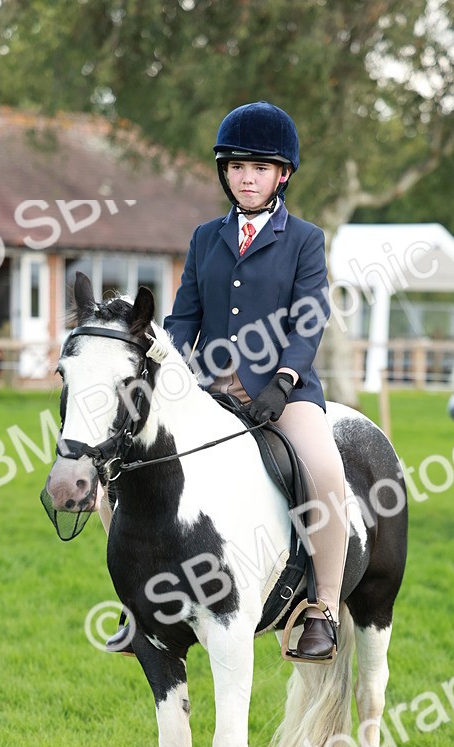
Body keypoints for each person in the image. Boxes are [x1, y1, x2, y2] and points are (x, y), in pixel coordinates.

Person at [163, 101, 347, 660]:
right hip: (210, 392)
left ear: (282, 175)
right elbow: (183, 318)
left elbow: (309, 318)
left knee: (324, 472)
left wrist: (284, 379)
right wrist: (171, 372)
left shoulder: (306, 240)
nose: (247, 177)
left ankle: (324, 608)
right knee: (125, 464)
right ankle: (140, 601)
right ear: (225, 172)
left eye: (260, 168)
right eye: (237, 167)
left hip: (281, 391)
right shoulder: (204, 237)